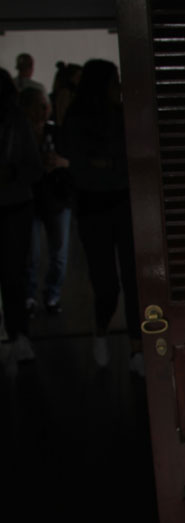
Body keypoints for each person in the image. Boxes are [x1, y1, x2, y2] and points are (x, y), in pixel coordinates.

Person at [62, 59, 143, 374]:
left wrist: (104, 163)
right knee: (106, 282)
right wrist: (107, 165)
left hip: (121, 205)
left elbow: (125, 161)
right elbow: (81, 166)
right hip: (94, 209)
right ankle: (101, 329)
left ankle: (137, 346)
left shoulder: (121, 116)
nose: (119, 88)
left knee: (134, 279)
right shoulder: (78, 120)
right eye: (114, 82)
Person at [0, 69, 44, 362]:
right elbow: (34, 166)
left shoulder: (16, 121)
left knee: (13, 274)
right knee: (14, 273)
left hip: (14, 204)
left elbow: (33, 166)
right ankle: (19, 335)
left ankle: (18, 334)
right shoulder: (16, 120)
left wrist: (12, 173)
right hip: (15, 203)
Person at [19, 86, 72, 315]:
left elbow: (73, 160)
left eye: (46, 105)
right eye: (39, 106)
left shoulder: (57, 133)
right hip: (30, 200)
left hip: (56, 200)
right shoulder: (19, 135)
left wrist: (60, 162)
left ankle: (52, 296)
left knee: (58, 254)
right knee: (31, 254)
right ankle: (29, 296)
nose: (44, 110)